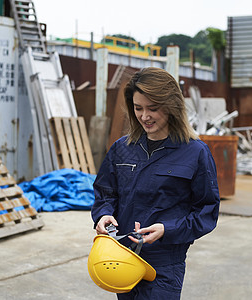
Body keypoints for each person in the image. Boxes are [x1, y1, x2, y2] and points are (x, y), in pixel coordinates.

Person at [91, 67, 220, 299]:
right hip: (123, 256)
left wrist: (166, 230)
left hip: (165, 264)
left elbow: (206, 212)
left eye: (153, 108)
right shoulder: (122, 149)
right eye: (138, 108)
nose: (144, 116)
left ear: (172, 106)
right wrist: (103, 214)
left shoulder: (195, 152)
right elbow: (105, 193)